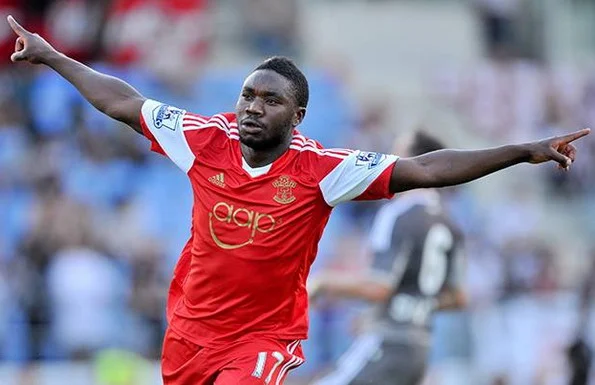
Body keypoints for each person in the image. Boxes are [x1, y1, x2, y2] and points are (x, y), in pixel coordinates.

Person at [6, 15, 590, 385]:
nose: (254, 106)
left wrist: (522, 150)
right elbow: (121, 103)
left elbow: (424, 168)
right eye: (247, 95)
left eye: (270, 99)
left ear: (298, 114)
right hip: (188, 333)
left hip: (263, 340)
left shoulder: (323, 170)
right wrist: (52, 55)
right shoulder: (202, 138)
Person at [307, 131, 466, 385]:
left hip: (388, 344)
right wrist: (409, 305)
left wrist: (323, 282)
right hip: (420, 351)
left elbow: (380, 287)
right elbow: (457, 297)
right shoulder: (449, 223)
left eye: (398, 154)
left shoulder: (399, 213)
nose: (391, 161)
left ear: (418, 162)